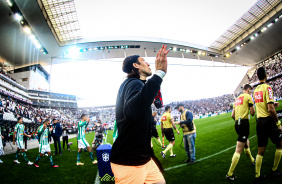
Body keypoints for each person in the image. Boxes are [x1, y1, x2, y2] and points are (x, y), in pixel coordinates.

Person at [111, 45, 169, 184]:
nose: (149, 64)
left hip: (143, 158)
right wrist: (159, 73)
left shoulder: (138, 85)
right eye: (144, 61)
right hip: (129, 161)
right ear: (136, 65)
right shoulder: (132, 82)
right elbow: (132, 112)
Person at [253, 67, 282, 182]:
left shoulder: (255, 90)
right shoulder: (268, 87)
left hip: (259, 122)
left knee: (261, 150)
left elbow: (262, 105)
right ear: (265, 75)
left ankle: (257, 176)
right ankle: (274, 170)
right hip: (268, 121)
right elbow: (270, 109)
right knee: (280, 144)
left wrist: (272, 103)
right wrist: (278, 123)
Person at [225, 84, 256, 181]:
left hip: (237, 124)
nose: (251, 91)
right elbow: (252, 112)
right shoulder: (248, 96)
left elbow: (232, 115)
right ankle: (229, 174)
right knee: (239, 149)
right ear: (248, 89)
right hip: (244, 123)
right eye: (250, 89)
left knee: (246, 143)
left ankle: (252, 160)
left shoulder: (237, 99)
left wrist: (238, 122)